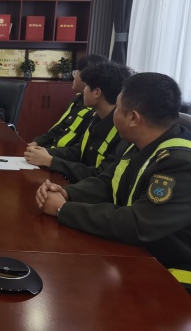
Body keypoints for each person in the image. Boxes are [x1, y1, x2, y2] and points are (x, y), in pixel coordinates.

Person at [35, 72, 191, 291]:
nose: (113, 113)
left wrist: (64, 210)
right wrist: (67, 193)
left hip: (173, 273)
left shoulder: (179, 163)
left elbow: (138, 223)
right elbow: (108, 182)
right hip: (135, 253)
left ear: (133, 118)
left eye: (117, 108)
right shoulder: (138, 143)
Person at [25, 61, 133, 183]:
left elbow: (100, 175)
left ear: (97, 92)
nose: (83, 91)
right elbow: (78, 151)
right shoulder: (96, 117)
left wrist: (51, 161)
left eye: (86, 86)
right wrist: (44, 152)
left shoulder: (122, 131)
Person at [28, 54, 107, 148]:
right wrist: (37, 143)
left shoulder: (96, 112)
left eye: (75, 72)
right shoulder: (77, 100)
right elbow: (59, 127)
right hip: (51, 151)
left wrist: (47, 154)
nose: (73, 76)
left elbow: (76, 149)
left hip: (57, 154)